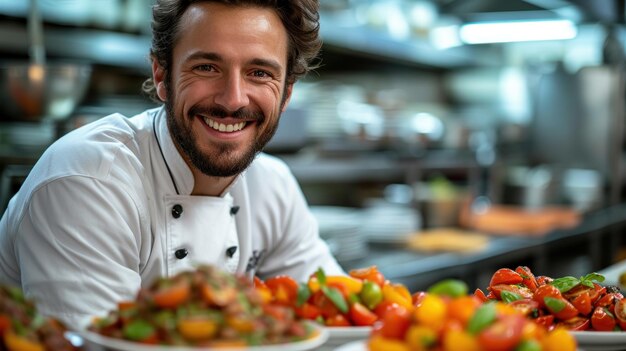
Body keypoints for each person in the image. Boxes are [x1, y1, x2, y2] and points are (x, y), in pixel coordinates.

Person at [0, 0, 343, 328]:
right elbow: (95, 343)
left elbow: (338, 316)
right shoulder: (88, 182)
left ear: (286, 93)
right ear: (162, 74)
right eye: (207, 67)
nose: (233, 99)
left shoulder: (273, 187)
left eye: (259, 72)